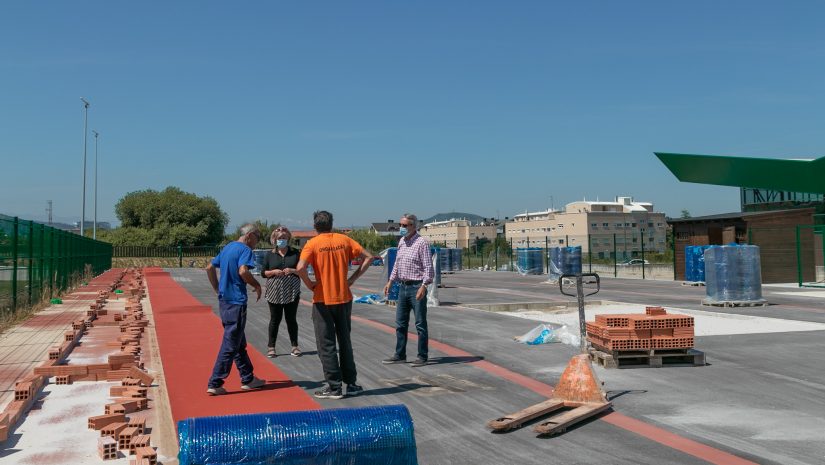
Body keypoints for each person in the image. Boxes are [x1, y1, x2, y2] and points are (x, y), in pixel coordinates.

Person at [297, 210, 373, 399]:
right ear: (332, 224)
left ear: (315, 226)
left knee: (326, 344)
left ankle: (334, 386)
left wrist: (310, 285)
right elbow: (369, 257)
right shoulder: (344, 240)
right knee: (345, 341)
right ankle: (351, 383)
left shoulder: (312, 244)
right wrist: (352, 279)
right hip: (344, 297)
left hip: (323, 299)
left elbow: (300, 268)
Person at [205, 224, 266, 395]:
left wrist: (217, 288)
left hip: (225, 301)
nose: (257, 242)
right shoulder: (245, 250)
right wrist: (256, 285)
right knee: (231, 343)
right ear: (250, 236)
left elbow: (209, 267)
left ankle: (248, 378)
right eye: (257, 238)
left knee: (238, 342)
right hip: (236, 302)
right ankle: (215, 382)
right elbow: (243, 270)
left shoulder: (227, 248)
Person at [382, 213, 434, 367]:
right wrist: (390, 282)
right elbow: (397, 264)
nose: (402, 228)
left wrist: (424, 286)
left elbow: (428, 267)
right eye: (401, 225)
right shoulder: (402, 242)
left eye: (405, 225)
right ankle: (400, 354)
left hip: (417, 286)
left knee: (420, 323)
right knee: (400, 323)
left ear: (414, 226)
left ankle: (422, 356)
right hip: (403, 287)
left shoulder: (422, 243)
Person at [260, 227, 302, 358]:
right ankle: (271, 347)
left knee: (291, 319)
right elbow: (263, 273)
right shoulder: (270, 254)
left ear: (288, 238)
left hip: (292, 290)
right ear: (274, 240)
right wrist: (273, 272)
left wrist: (293, 270)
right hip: (274, 291)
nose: (282, 240)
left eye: (284, 238)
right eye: (279, 238)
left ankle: (295, 346)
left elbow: (303, 270)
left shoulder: (295, 253)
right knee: (275, 319)